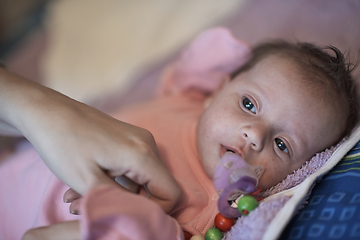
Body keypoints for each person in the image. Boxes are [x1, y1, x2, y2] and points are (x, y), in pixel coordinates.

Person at [0, 28, 358, 240]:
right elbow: (199, 60)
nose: (253, 135)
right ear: (221, 87)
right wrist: (231, 52)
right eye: (249, 104)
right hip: (22, 156)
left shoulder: (218, 208)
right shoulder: (190, 97)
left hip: (33, 218)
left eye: (282, 145)